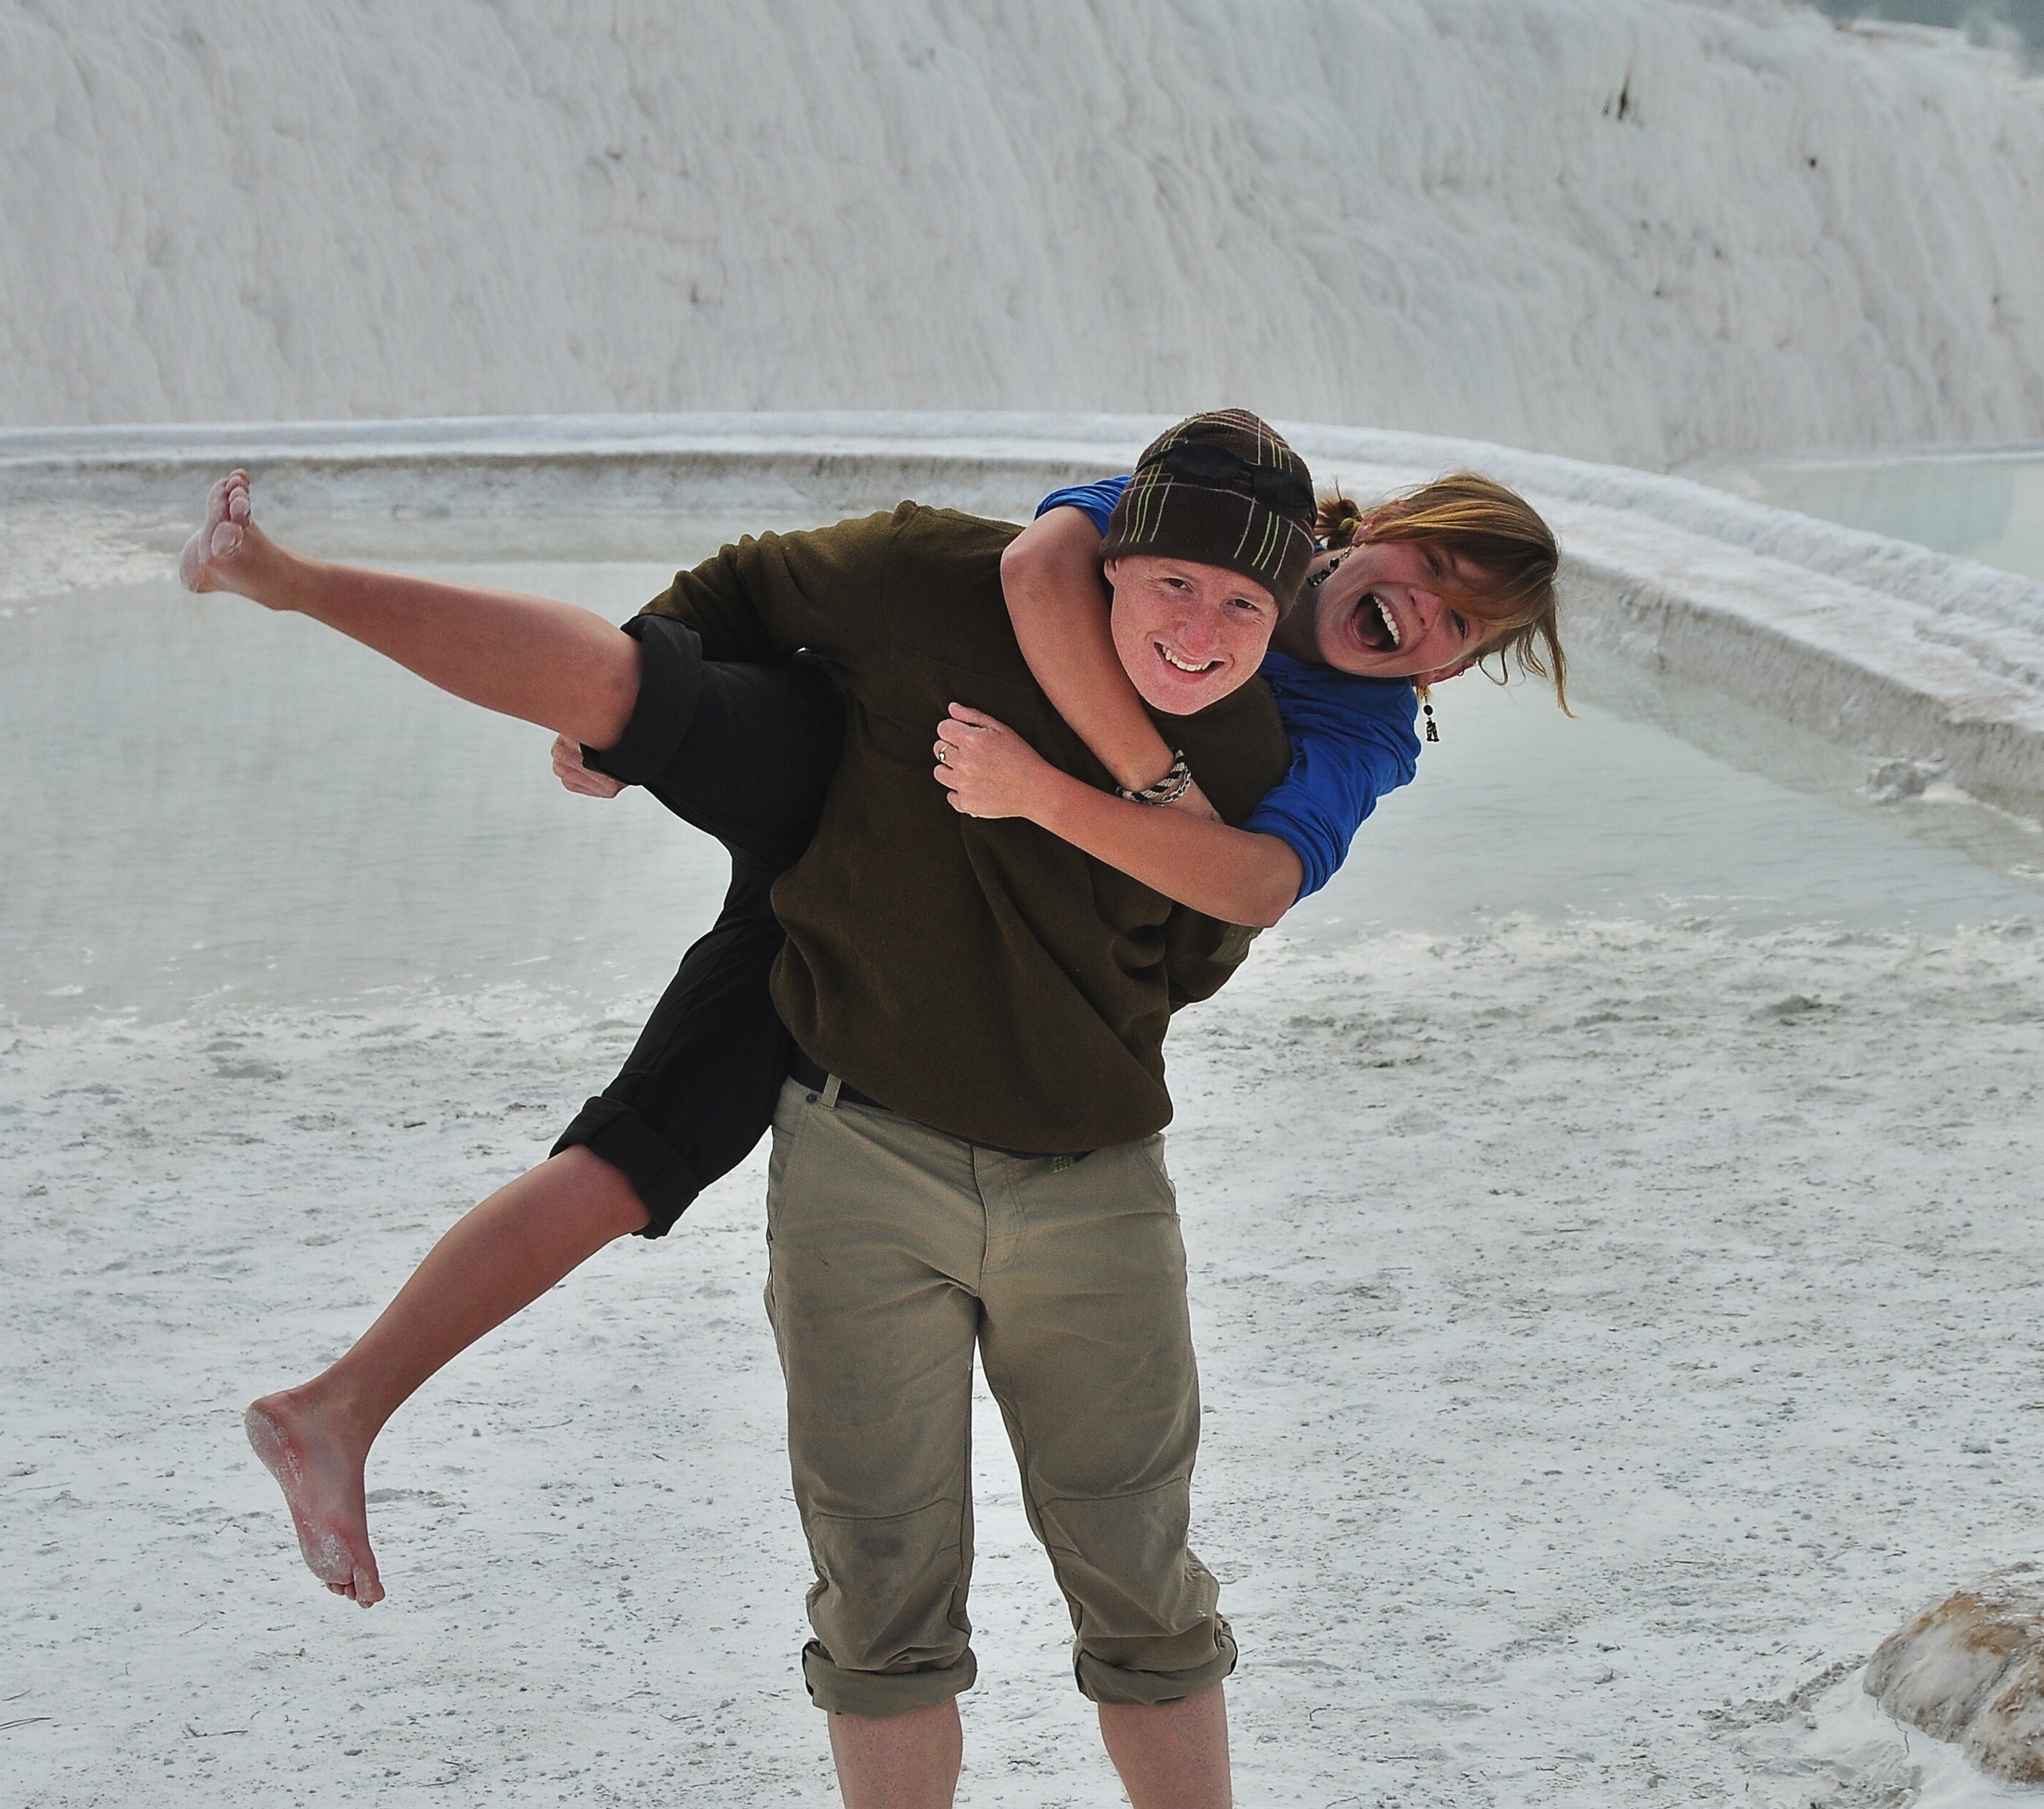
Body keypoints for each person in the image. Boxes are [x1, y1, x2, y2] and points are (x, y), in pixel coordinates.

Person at [205, 436, 1564, 1619]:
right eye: (1434, 567)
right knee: (629, 690)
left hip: (898, 925)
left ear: (1455, 671)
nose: (1424, 612)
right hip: (867, 766)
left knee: (634, 1162)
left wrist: (1077, 806)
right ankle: (287, 578)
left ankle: (338, 1408)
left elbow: (1247, 894)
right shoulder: (1217, 517)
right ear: (1379, 526)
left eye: (1462, 625)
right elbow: (1038, 569)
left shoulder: (1360, 732)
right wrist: (1148, 778)